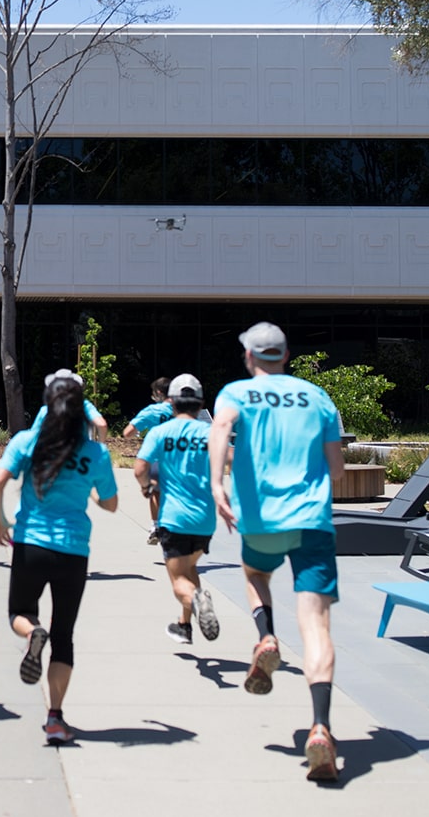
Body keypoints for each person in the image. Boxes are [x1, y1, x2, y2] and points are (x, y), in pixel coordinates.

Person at [207, 321, 345, 782]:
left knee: (254, 575)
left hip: (261, 519)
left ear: (249, 357)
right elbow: (337, 470)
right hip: (312, 522)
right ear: (285, 356)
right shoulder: (318, 397)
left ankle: (266, 636)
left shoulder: (235, 393)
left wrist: (217, 484)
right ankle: (321, 726)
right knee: (317, 626)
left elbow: (221, 428)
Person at [0, 372, 120, 745]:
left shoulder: (26, 441)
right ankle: (56, 718)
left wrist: (1, 521)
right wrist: (91, 494)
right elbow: (111, 504)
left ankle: (32, 633)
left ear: (47, 403)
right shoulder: (95, 453)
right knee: (64, 635)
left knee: (19, 612)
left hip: (31, 544)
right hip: (74, 550)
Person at [133, 374, 219, 644]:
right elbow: (232, 456)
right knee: (190, 569)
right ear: (200, 404)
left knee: (180, 580)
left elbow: (140, 468)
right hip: (205, 520)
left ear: (171, 402)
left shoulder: (160, 432)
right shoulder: (210, 432)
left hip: (174, 518)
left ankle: (197, 601)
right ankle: (184, 625)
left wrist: (147, 487)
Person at [122, 377, 173, 543]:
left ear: (158, 393)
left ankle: (156, 527)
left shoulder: (152, 411)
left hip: (158, 458)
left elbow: (128, 432)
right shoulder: (183, 410)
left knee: (155, 492)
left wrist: (138, 432)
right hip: (180, 459)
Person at [29, 368, 109, 441]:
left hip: (54, 449)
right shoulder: (85, 405)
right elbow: (102, 425)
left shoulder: (47, 409)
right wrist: (100, 446)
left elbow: (33, 435)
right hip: (82, 449)